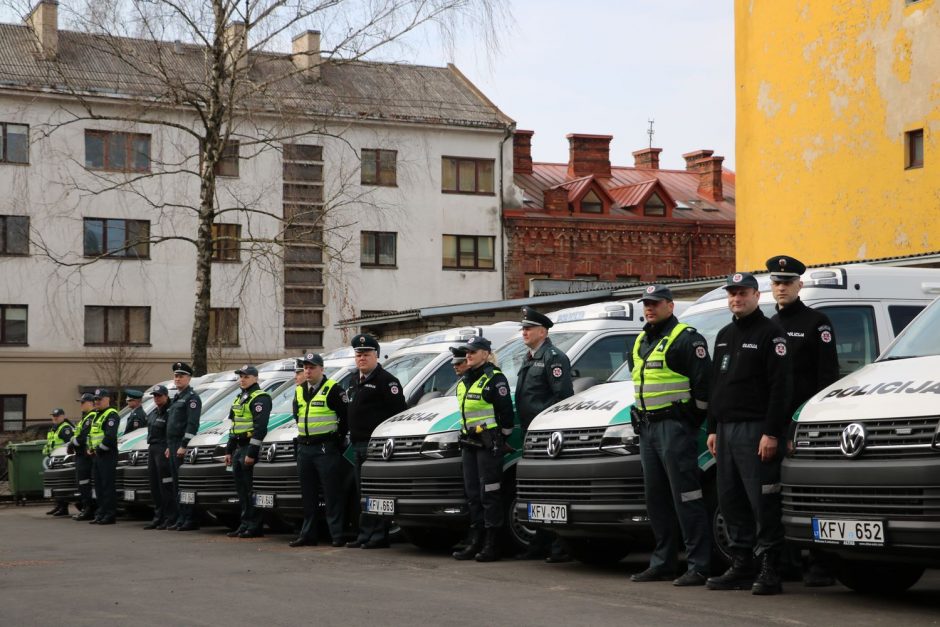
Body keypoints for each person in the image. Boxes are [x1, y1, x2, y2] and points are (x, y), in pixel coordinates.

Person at [705, 272, 792, 595]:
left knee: (762, 501)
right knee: (731, 500)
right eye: (732, 294)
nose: (736, 299)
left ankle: (770, 567)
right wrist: (713, 428)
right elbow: (717, 385)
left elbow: (780, 388)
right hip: (726, 431)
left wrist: (771, 432)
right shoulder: (725, 334)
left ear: (757, 296)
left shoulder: (772, 333)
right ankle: (742, 563)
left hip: (756, 430)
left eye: (742, 294)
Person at [627, 285, 713, 586]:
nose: (649, 308)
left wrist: (688, 421)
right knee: (656, 499)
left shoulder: (686, 339)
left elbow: (704, 389)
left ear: (670, 306)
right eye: (646, 304)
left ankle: (699, 565)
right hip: (648, 428)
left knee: (686, 497)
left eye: (656, 303)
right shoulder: (640, 340)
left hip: (674, 428)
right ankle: (663, 562)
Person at [766, 255, 840, 587]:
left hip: (803, 424)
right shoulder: (769, 325)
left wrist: (806, 426)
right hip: (773, 423)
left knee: (813, 493)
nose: (781, 288)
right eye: (776, 282)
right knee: (778, 493)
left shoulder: (816, 323)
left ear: (800, 285)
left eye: (787, 282)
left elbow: (826, 378)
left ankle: (822, 562)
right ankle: (787, 561)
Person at [513, 306, 574, 562]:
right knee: (537, 491)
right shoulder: (529, 357)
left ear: (542, 331)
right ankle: (541, 542)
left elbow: (562, 397)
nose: (524, 332)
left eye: (528, 328)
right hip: (531, 433)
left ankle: (561, 545)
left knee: (555, 490)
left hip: (548, 435)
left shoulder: (553, 357)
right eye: (523, 328)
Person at [451, 336, 514, 562]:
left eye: (473, 351)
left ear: (485, 354)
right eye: (467, 352)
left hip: (489, 443)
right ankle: (475, 539)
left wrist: (500, 437)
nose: (468, 355)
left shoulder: (494, 379)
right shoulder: (465, 380)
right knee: (473, 494)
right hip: (469, 443)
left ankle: (492, 543)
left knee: (490, 494)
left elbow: (506, 414)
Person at [345, 334, 407, 549]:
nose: (361, 358)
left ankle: (380, 535)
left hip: (377, 447)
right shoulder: (354, 380)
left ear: (376, 356)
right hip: (357, 445)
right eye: (358, 354)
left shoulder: (387, 381)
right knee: (363, 494)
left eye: (366, 354)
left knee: (378, 492)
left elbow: (398, 413)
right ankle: (365, 535)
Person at [289, 352, 349, 547]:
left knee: (332, 493)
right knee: (308, 495)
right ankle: (308, 534)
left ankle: (337, 535)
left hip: (325, 448)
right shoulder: (299, 391)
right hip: (305, 448)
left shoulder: (333, 389)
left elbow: (345, 419)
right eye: (305, 367)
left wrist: (336, 441)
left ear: (321, 369)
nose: (308, 371)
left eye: (312, 367)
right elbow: (297, 416)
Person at [224, 365, 272, 538]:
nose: (242, 379)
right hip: (238, 447)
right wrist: (229, 450)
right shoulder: (239, 398)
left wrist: (252, 453)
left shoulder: (260, 398)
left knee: (251, 490)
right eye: (241, 376)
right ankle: (244, 524)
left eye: (246, 376)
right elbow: (234, 426)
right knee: (241, 491)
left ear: (255, 378)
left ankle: (255, 525)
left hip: (249, 447)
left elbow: (260, 428)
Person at [165, 362, 202, 531]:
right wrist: (168, 446)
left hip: (181, 444)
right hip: (172, 444)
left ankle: (190, 518)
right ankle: (181, 517)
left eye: (181, 376)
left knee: (184, 484)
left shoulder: (192, 398)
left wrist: (184, 445)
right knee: (176, 484)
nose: (177, 378)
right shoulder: (177, 397)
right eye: (175, 376)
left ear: (189, 378)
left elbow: (192, 424)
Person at [87, 389, 121, 525]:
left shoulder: (111, 414)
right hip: (97, 455)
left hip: (107, 454)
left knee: (107, 485)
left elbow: (110, 435)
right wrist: (90, 448)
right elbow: (93, 435)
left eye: (99, 399)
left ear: (107, 399)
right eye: (95, 399)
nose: (96, 401)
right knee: (99, 486)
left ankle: (110, 514)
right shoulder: (96, 415)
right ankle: (101, 512)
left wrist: (99, 448)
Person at [143, 385, 174, 530]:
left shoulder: (170, 411)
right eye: (155, 396)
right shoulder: (154, 412)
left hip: (163, 448)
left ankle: (169, 517)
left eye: (159, 395)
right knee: (154, 485)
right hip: (153, 449)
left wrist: (169, 447)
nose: (157, 398)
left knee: (165, 486)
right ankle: (158, 517)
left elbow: (171, 432)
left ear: (166, 396)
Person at [69, 393, 97, 521]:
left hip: (85, 455)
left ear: (90, 403)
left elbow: (82, 437)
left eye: (82, 402)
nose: (80, 405)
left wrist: (72, 442)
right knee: (82, 483)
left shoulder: (91, 417)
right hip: (80, 454)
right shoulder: (85, 418)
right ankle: (86, 508)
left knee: (85, 482)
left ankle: (89, 509)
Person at [44, 408, 74, 517]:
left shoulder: (65, 428)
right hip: (54, 460)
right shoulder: (54, 428)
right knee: (54, 485)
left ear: (63, 416)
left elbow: (69, 444)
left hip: (62, 460)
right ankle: (59, 506)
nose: (55, 418)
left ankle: (63, 508)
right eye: (53, 416)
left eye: (57, 416)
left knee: (61, 484)